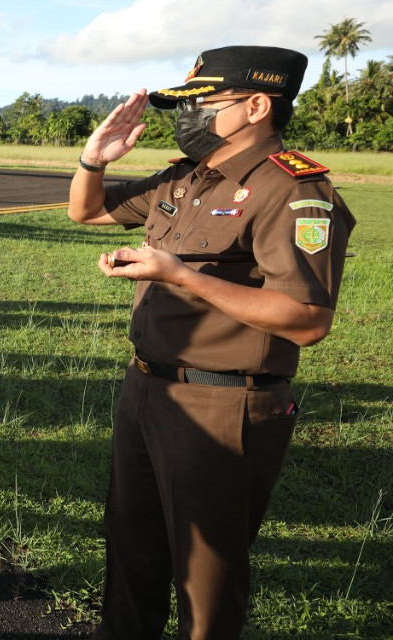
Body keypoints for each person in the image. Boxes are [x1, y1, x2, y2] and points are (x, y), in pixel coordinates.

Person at [67, 46, 355, 640]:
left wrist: (180, 275)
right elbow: (86, 211)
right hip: (147, 387)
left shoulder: (293, 190)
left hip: (226, 405)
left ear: (256, 105)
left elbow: (307, 320)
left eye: (203, 103)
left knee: (208, 583)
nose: (189, 115)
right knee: (130, 556)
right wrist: (92, 159)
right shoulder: (186, 176)